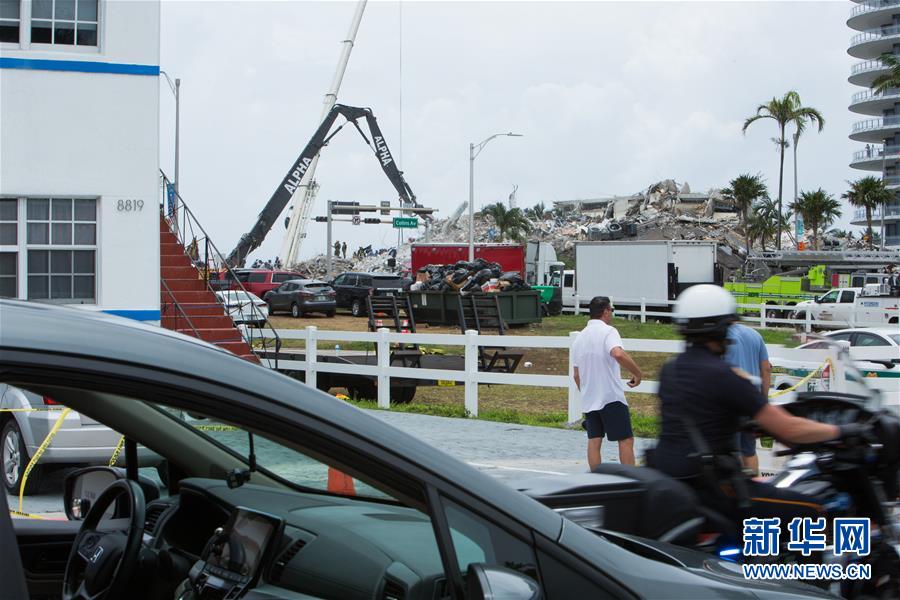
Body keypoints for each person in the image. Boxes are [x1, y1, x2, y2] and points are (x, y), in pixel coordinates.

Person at [647, 285, 864, 531]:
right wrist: (842, 431)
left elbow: (703, 412)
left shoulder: (670, 370)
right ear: (720, 328)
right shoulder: (724, 376)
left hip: (675, 483)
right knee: (816, 508)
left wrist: (747, 422)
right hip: (716, 489)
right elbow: (789, 429)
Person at [572, 296, 643, 469]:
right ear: (605, 311)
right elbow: (617, 353)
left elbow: (576, 375)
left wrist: (586, 391)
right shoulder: (609, 331)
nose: (611, 313)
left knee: (594, 440)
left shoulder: (579, 338)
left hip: (590, 398)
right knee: (625, 439)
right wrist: (637, 372)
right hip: (610, 396)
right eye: (611, 310)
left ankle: (596, 478)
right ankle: (630, 478)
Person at [724, 321, 771, 474]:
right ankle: (753, 484)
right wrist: (763, 399)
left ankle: (738, 486)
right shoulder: (755, 335)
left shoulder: (723, 337)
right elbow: (766, 369)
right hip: (752, 402)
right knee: (749, 451)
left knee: (733, 452)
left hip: (731, 404)